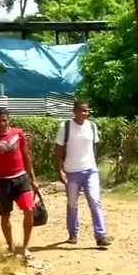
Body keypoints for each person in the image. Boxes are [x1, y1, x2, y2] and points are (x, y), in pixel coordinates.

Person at [0, 107, 39, 258]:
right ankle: (11, 247)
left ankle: (25, 247)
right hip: (1, 181)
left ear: (9, 120)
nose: (2, 124)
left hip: (21, 178)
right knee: (5, 215)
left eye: (4, 120)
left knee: (29, 210)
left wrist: (33, 179)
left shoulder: (18, 134)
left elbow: (26, 156)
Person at [54, 100, 111, 248]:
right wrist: (59, 169)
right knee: (72, 203)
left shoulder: (92, 126)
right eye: (81, 110)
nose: (84, 113)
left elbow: (94, 147)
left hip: (90, 170)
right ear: (74, 111)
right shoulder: (65, 127)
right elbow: (58, 150)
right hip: (72, 171)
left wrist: (93, 163)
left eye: (86, 111)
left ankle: (101, 236)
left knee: (94, 200)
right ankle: (73, 233)